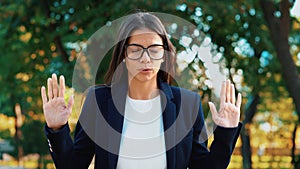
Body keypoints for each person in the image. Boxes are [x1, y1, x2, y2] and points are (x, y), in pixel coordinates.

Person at [41, 12, 242, 169]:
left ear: (164, 54)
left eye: (154, 50)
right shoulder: (99, 100)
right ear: (123, 55)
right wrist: (57, 129)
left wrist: (226, 132)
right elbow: (72, 165)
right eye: (136, 50)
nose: (146, 59)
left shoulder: (187, 104)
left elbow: (204, 166)